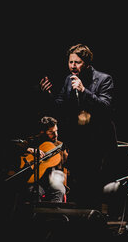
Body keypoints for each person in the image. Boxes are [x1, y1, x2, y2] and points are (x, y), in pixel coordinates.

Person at [39, 43, 117, 210]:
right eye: (70, 62)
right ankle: (79, 225)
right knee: (76, 185)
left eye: (77, 62)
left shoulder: (104, 79)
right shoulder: (69, 80)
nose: (73, 66)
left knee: (93, 186)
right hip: (78, 141)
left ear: (87, 63)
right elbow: (60, 106)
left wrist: (84, 91)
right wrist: (49, 95)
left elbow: (106, 108)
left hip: (99, 142)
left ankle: (94, 222)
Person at [8, 116, 68, 204]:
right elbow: (13, 144)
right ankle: (36, 217)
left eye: (56, 131)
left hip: (53, 181)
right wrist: (30, 149)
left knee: (59, 191)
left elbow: (67, 164)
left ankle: (53, 217)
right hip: (35, 181)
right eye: (51, 132)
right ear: (42, 132)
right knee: (34, 192)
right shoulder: (34, 142)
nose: (55, 135)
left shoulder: (60, 145)